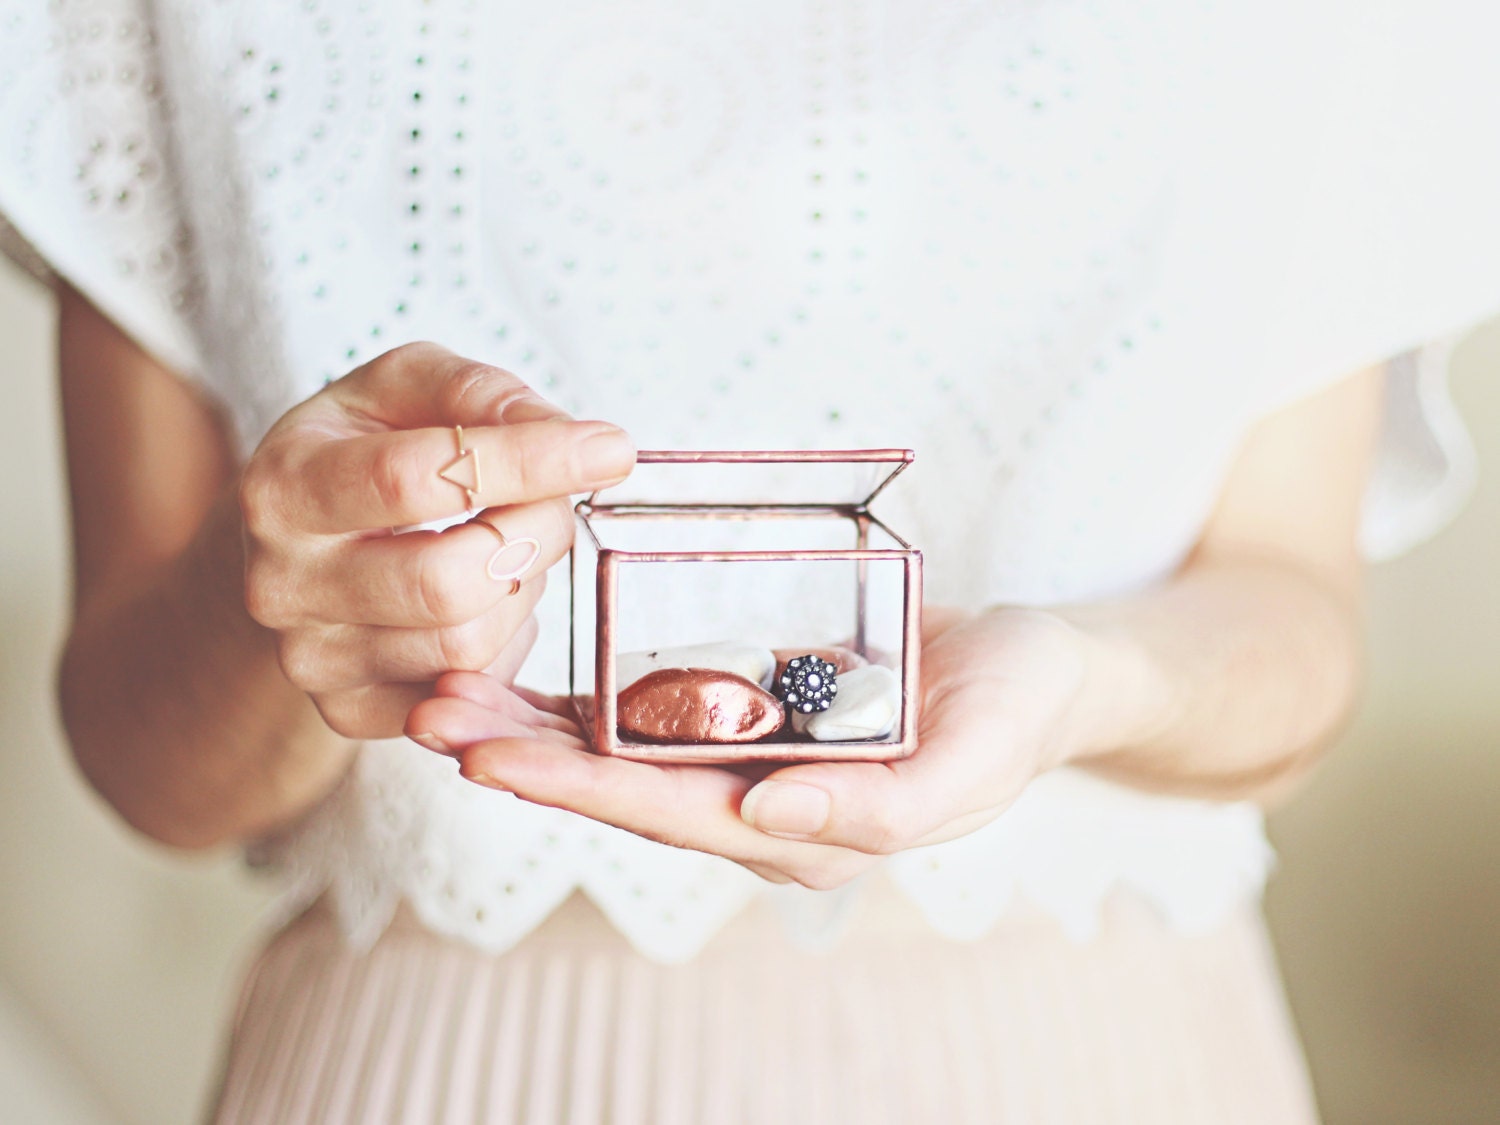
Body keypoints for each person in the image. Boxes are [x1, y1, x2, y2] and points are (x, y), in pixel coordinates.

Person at [3, 1, 1498, 1121]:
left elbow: (1294, 631)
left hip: (1103, 1057)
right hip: (427, 1062)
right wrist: (300, 606)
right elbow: (154, 764)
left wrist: (1080, 682)